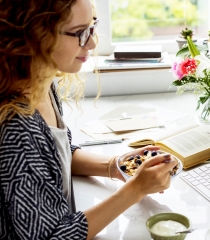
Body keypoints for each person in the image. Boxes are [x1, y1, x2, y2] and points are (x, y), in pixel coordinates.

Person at [0, 0, 177, 239]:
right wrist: (136, 189)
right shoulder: (16, 127)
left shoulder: (42, 82)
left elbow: (57, 155)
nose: (92, 42)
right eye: (80, 33)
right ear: (36, 36)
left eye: (92, 27)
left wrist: (114, 166)